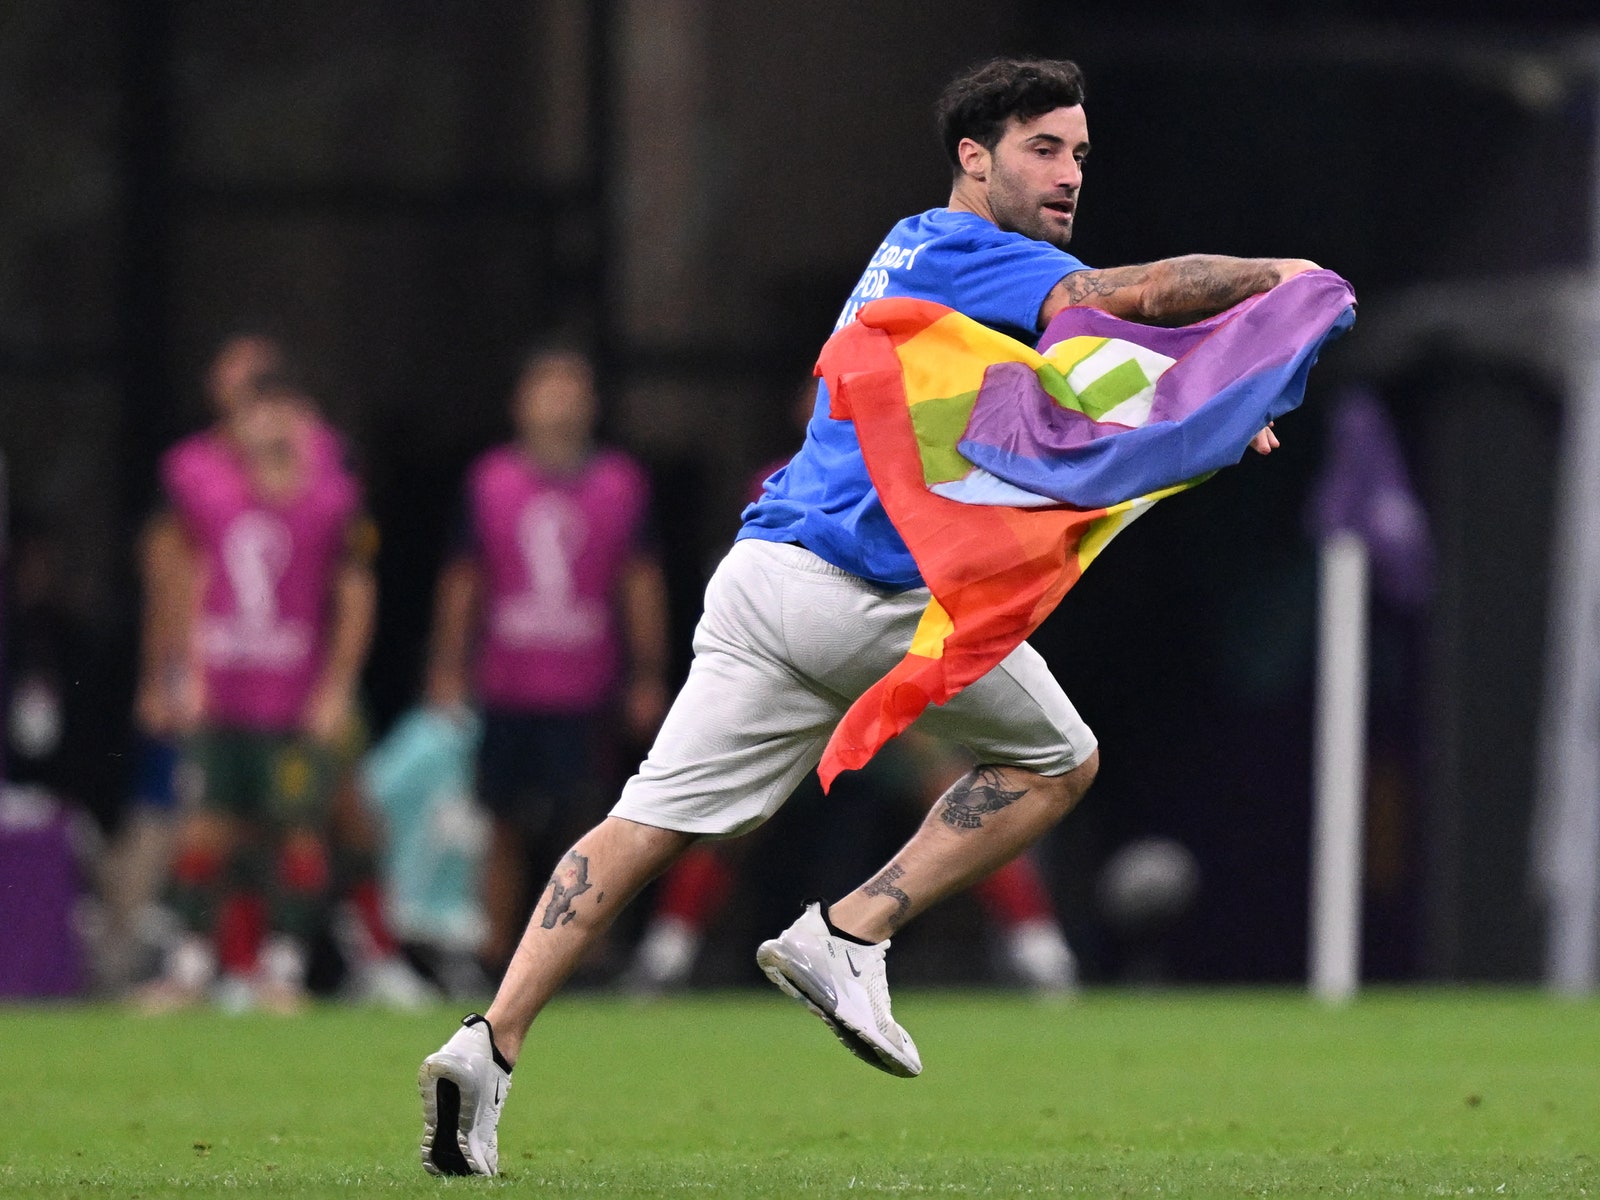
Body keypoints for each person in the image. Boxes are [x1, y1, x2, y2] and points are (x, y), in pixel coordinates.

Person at [418, 55, 1318, 1177]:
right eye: (1045, 147)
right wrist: (1271, 278)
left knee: (641, 824)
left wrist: (1200, 412)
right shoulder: (969, 250)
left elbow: (1068, 382)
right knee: (1061, 763)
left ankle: (485, 1048)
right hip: (863, 595)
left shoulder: (925, 251)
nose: (1069, 172)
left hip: (762, 578)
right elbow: (1126, 299)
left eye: (1081, 153)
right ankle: (848, 932)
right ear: (972, 157)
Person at [135, 336, 379, 1013]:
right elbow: (186, 580)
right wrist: (181, 671)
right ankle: (186, 968)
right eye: (254, 411)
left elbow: (356, 596)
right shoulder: (209, 493)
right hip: (226, 692)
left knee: (298, 830)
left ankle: (283, 968)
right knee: (207, 827)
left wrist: (335, 688)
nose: (266, 426)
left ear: (303, 419)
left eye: (280, 411)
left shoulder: (331, 499)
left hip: (293, 698)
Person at [423, 343, 668, 972]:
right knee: (499, 825)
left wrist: (647, 674)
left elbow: (639, 582)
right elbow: (463, 580)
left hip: (586, 686)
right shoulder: (490, 482)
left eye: (571, 390)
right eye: (546, 389)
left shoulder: (619, 484)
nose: (558, 404)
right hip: (508, 683)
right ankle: (491, 951)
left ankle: (583, 955)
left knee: (589, 825)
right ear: (521, 404)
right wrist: (447, 667)